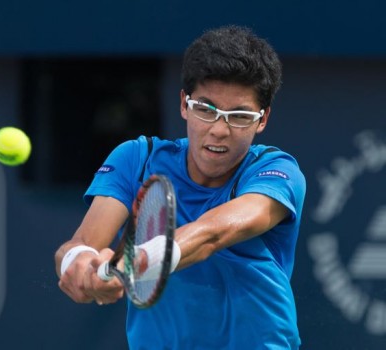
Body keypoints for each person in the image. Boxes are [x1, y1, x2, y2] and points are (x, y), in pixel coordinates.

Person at [55, 25, 306, 349]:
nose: (219, 130)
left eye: (240, 116)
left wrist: (140, 261)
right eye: (206, 109)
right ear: (184, 104)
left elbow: (213, 233)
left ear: (263, 119)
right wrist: (79, 263)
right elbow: (83, 243)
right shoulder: (137, 158)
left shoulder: (275, 170)